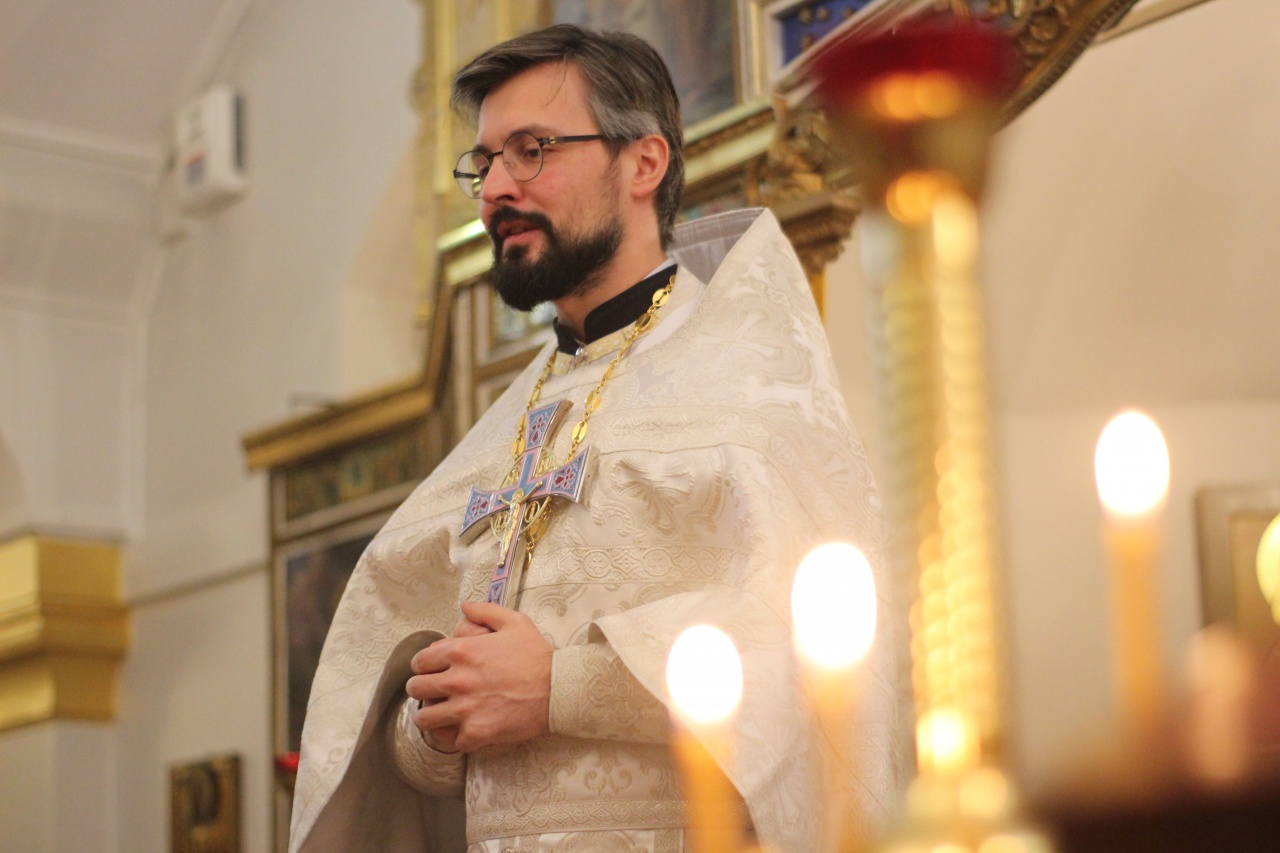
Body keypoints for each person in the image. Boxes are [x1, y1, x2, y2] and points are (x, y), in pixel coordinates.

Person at [289, 24, 906, 853]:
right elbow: (410, 743)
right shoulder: (505, 426)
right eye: (484, 162)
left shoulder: (748, 389)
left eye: (531, 151)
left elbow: (821, 659)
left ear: (643, 163)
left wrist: (562, 686)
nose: (494, 189)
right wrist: (431, 727)